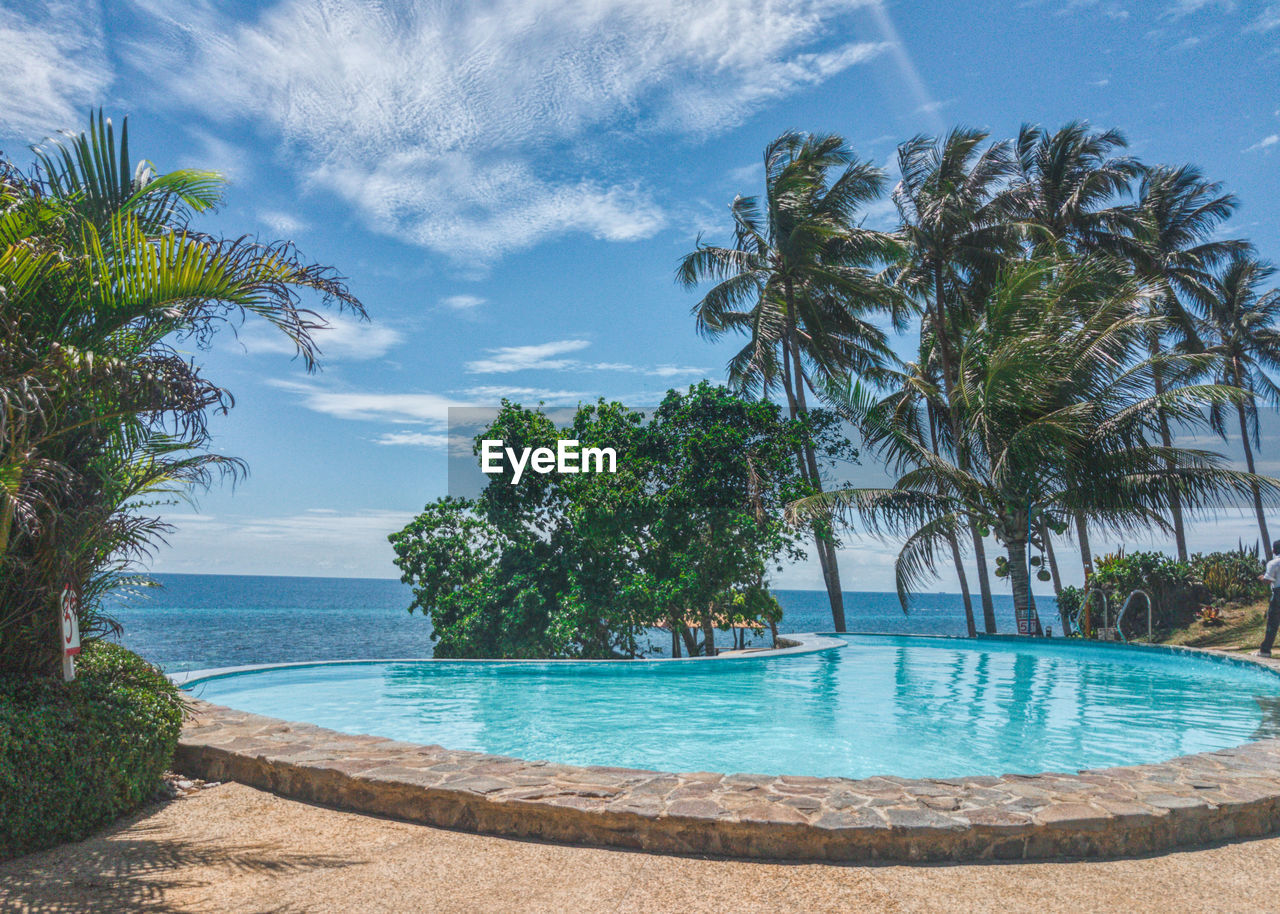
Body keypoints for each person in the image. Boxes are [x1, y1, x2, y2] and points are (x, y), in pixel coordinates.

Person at [1256, 541, 1280, 658]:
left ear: (1274, 550)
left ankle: (1265, 651)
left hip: (1278, 593)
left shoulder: (1273, 563)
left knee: (1273, 623)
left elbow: (1268, 580)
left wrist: (1261, 577)